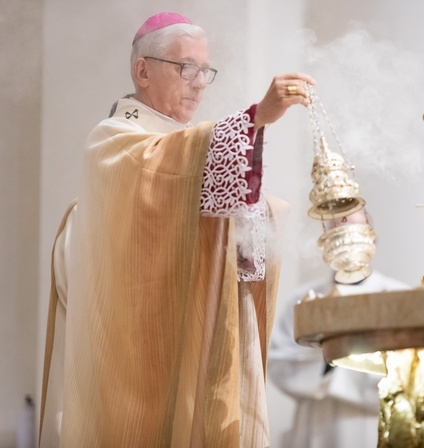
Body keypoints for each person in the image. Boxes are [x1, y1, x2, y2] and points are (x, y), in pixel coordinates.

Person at [39, 12, 315, 448]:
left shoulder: (189, 147)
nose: (200, 81)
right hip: (135, 363)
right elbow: (167, 169)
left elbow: (225, 216)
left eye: (205, 70)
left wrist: (264, 212)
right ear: (142, 70)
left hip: (199, 352)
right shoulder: (113, 140)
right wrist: (257, 116)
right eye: (186, 67)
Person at [267, 210, 409, 448]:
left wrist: (336, 362)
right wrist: (326, 363)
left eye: (354, 230)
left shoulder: (397, 297)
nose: (345, 239)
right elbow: (278, 362)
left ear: (371, 238)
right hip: (312, 422)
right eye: (336, 230)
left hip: (367, 424)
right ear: (325, 241)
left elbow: (404, 371)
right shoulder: (303, 299)